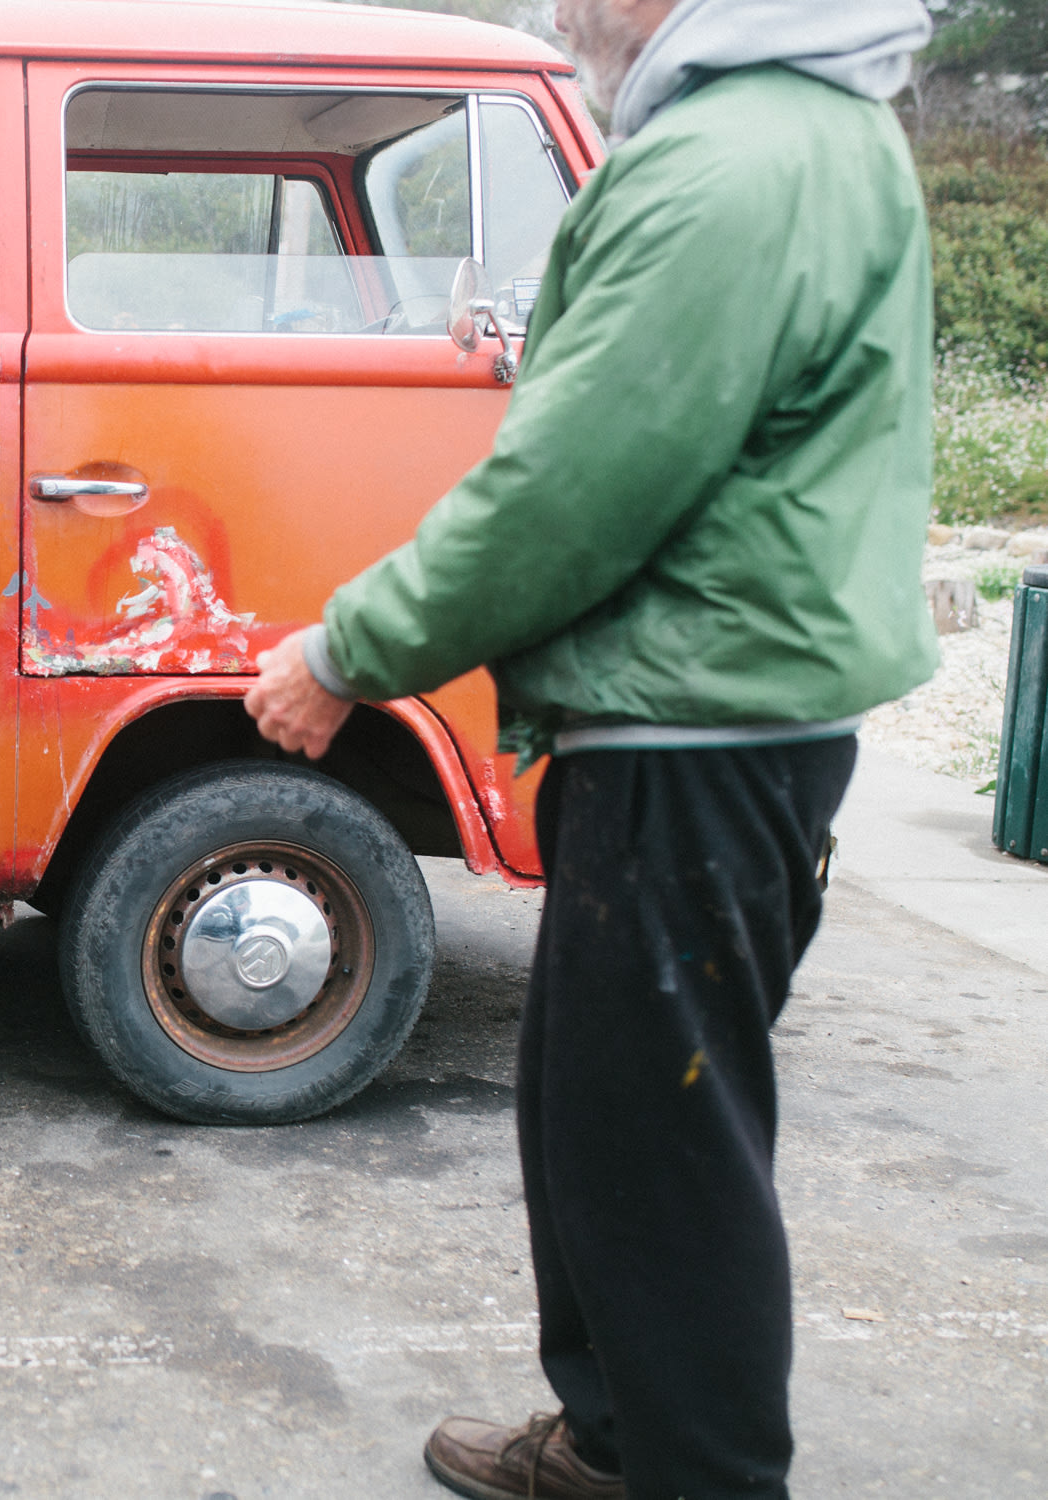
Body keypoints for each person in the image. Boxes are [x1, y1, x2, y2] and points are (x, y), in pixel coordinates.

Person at [242, 0, 938, 1496]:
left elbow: (573, 485)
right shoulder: (799, 133)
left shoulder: (727, 164)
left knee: (662, 1153)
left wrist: (347, 652)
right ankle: (613, 1440)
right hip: (714, 711)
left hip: (697, 723)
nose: (564, 11)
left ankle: (695, 1472)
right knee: (597, 1108)